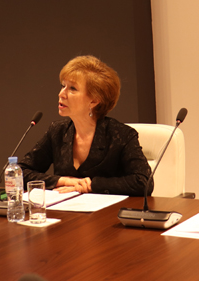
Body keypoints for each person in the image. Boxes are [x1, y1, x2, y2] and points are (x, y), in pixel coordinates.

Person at [19, 55, 152, 196]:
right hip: (65, 207)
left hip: (108, 209)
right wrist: (63, 181)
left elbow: (144, 182)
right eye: (63, 86)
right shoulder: (58, 131)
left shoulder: (121, 135)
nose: (61, 94)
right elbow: (19, 172)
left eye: (72, 89)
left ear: (94, 101)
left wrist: (91, 185)